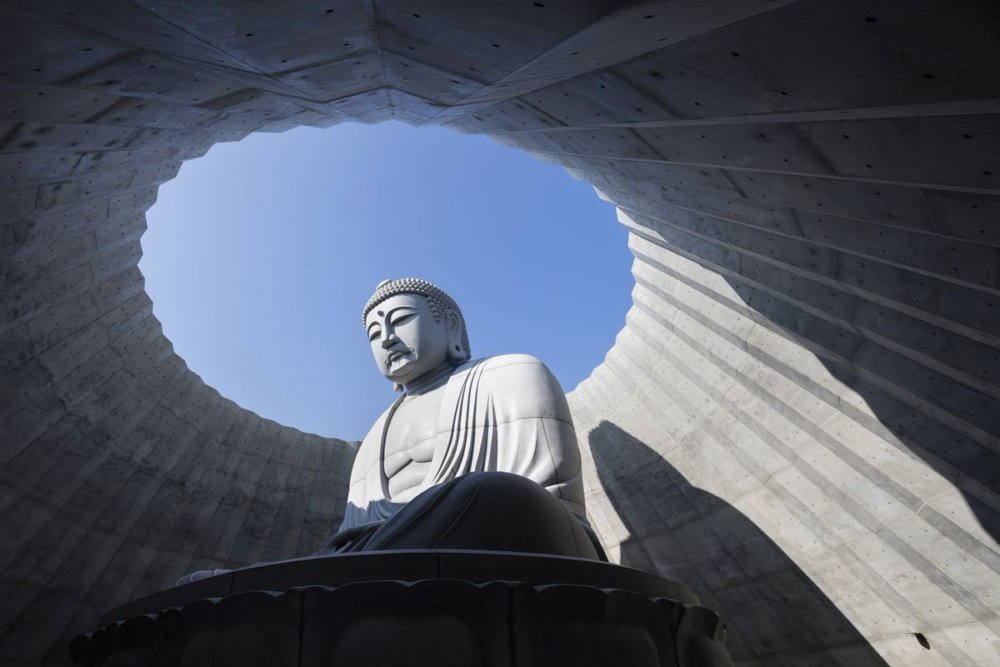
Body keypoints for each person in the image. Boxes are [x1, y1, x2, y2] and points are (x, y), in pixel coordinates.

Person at [323, 278, 604, 559]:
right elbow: (350, 537)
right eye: (374, 333)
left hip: (504, 539)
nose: (387, 338)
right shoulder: (374, 437)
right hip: (382, 561)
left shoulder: (513, 374)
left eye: (402, 319)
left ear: (451, 324)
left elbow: (549, 502)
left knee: (492, 491)